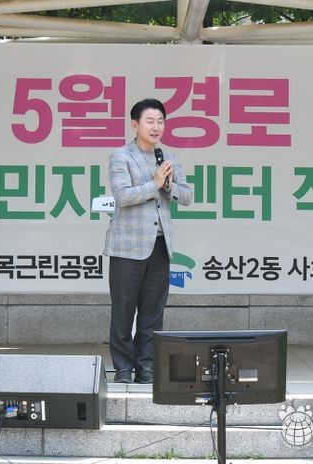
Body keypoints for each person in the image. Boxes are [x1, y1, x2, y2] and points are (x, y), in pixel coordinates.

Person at [104, 98, 192, 384]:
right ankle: (123, 368)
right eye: (150, 121)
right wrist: (154, 184)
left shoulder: (168, 157)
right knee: (123, 310)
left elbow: (187, 196)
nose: (156, 127)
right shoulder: (121, 156)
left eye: (160, 121)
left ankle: (147, 367)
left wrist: (168, 186)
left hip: (159, 245)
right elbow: (122, 196)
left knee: (153, 311)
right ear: (135, 124)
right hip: (127, 246)